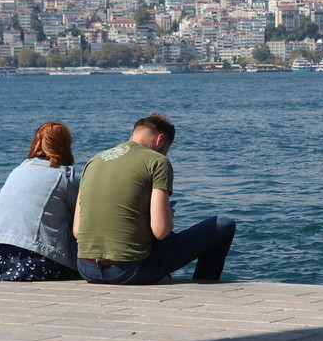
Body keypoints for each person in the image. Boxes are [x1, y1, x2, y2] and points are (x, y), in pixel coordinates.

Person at [74, 113, 235, 284]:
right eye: (166, 150)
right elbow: (160, 231)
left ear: (133, 135)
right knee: (224, 224)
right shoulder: (157, 161)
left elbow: (77, 231)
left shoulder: (94, 161)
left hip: (87, 269)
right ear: (160, 140)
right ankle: (205, 283)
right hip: (129, 271)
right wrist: (168, 216)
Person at [0, 121, 81, 281]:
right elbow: (80, 215)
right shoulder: (62, 177)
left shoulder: (17, 171)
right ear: (65, 146)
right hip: (36, 263)